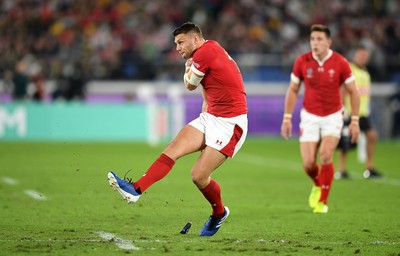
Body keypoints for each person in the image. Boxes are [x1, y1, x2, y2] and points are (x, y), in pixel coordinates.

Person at [107, 22, 248, 236]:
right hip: (211, 116)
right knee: (173, 147)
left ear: (195, 39)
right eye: (176, 43)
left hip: (231, 123)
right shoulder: (209, 50)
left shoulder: (205, 52)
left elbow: (190, 84)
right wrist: (207, 99)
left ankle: (219, 213)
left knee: (198, 175)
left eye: (181, 42)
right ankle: (135, 189)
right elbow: (210, 82)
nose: (177, 48)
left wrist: (187, 70)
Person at [280, 24, 360, 213]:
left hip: (333, 116)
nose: (315, 43)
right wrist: (287, 118)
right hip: (309, 116)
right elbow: (293, 89)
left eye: (319, 39)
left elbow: (353, 92)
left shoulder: (340, 62)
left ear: (328, 42)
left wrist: (355, 121)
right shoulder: (302, 61)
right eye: (312, 39)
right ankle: (318, 183)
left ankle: (323, 201)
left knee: (325, 156)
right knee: (308, 164)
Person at [336, 46, 383, 179]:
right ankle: (342, 169)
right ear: (355, 55)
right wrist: (343, 108)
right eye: (361, 56)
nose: (364, 58)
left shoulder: (365, 72)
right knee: (346, 141)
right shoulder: (350, 69)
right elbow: (343, 89)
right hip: (351, 112)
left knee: (371, 136)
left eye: (366, 56)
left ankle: (369, 168)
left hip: (362, 113)